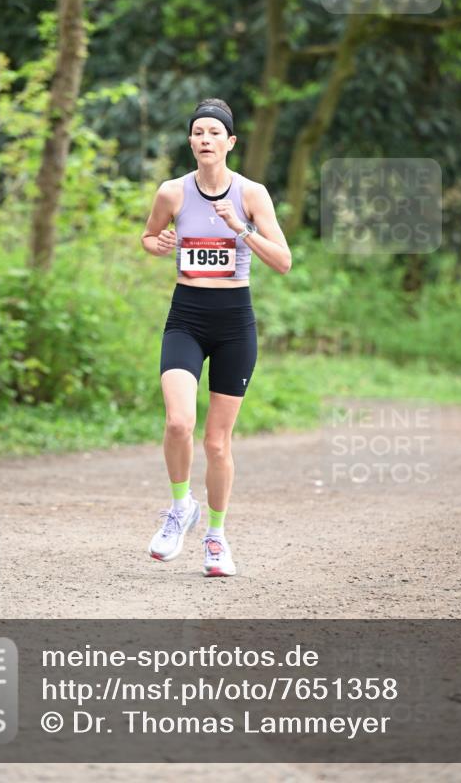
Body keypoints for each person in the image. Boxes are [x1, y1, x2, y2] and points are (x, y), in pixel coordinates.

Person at [140, 98, 292, 577]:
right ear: (190, 141)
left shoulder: (252, 194)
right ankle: (181, 507)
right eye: (197, 132)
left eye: (214, 132)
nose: (204, 139)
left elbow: (283, 261)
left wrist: (240, 229)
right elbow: (149, 237)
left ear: (230, 143)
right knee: (179, 423)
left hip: (234, 323)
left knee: (218, 444)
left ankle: (216, 537)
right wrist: (159, 244)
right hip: (186, 316)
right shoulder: (172, 192)